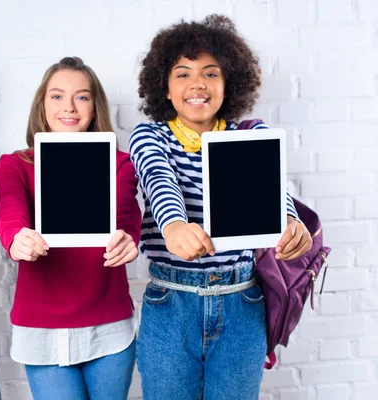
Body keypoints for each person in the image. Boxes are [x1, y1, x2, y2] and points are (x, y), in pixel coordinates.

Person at [129, 15, 313, 400]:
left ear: (228, 83)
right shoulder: (151, 136)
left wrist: (290, 221)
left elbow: (272, 193)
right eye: (183, 74)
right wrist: (174, 225)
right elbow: (159, 181)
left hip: (241, 303)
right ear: (163, 85)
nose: (197, 84)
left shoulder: (250, 134)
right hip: (170, 304)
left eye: (210, 73)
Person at [0, 56, 141, 400]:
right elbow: (10, 209)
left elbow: (125, 211)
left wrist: (127, 238)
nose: (70, 107)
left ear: (94, 107)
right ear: (42, 105)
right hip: (41, 323)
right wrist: (16, 237)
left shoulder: (119, 163)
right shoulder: (14, 165)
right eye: (57, 96)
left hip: (107, 322)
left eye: (82, 96)